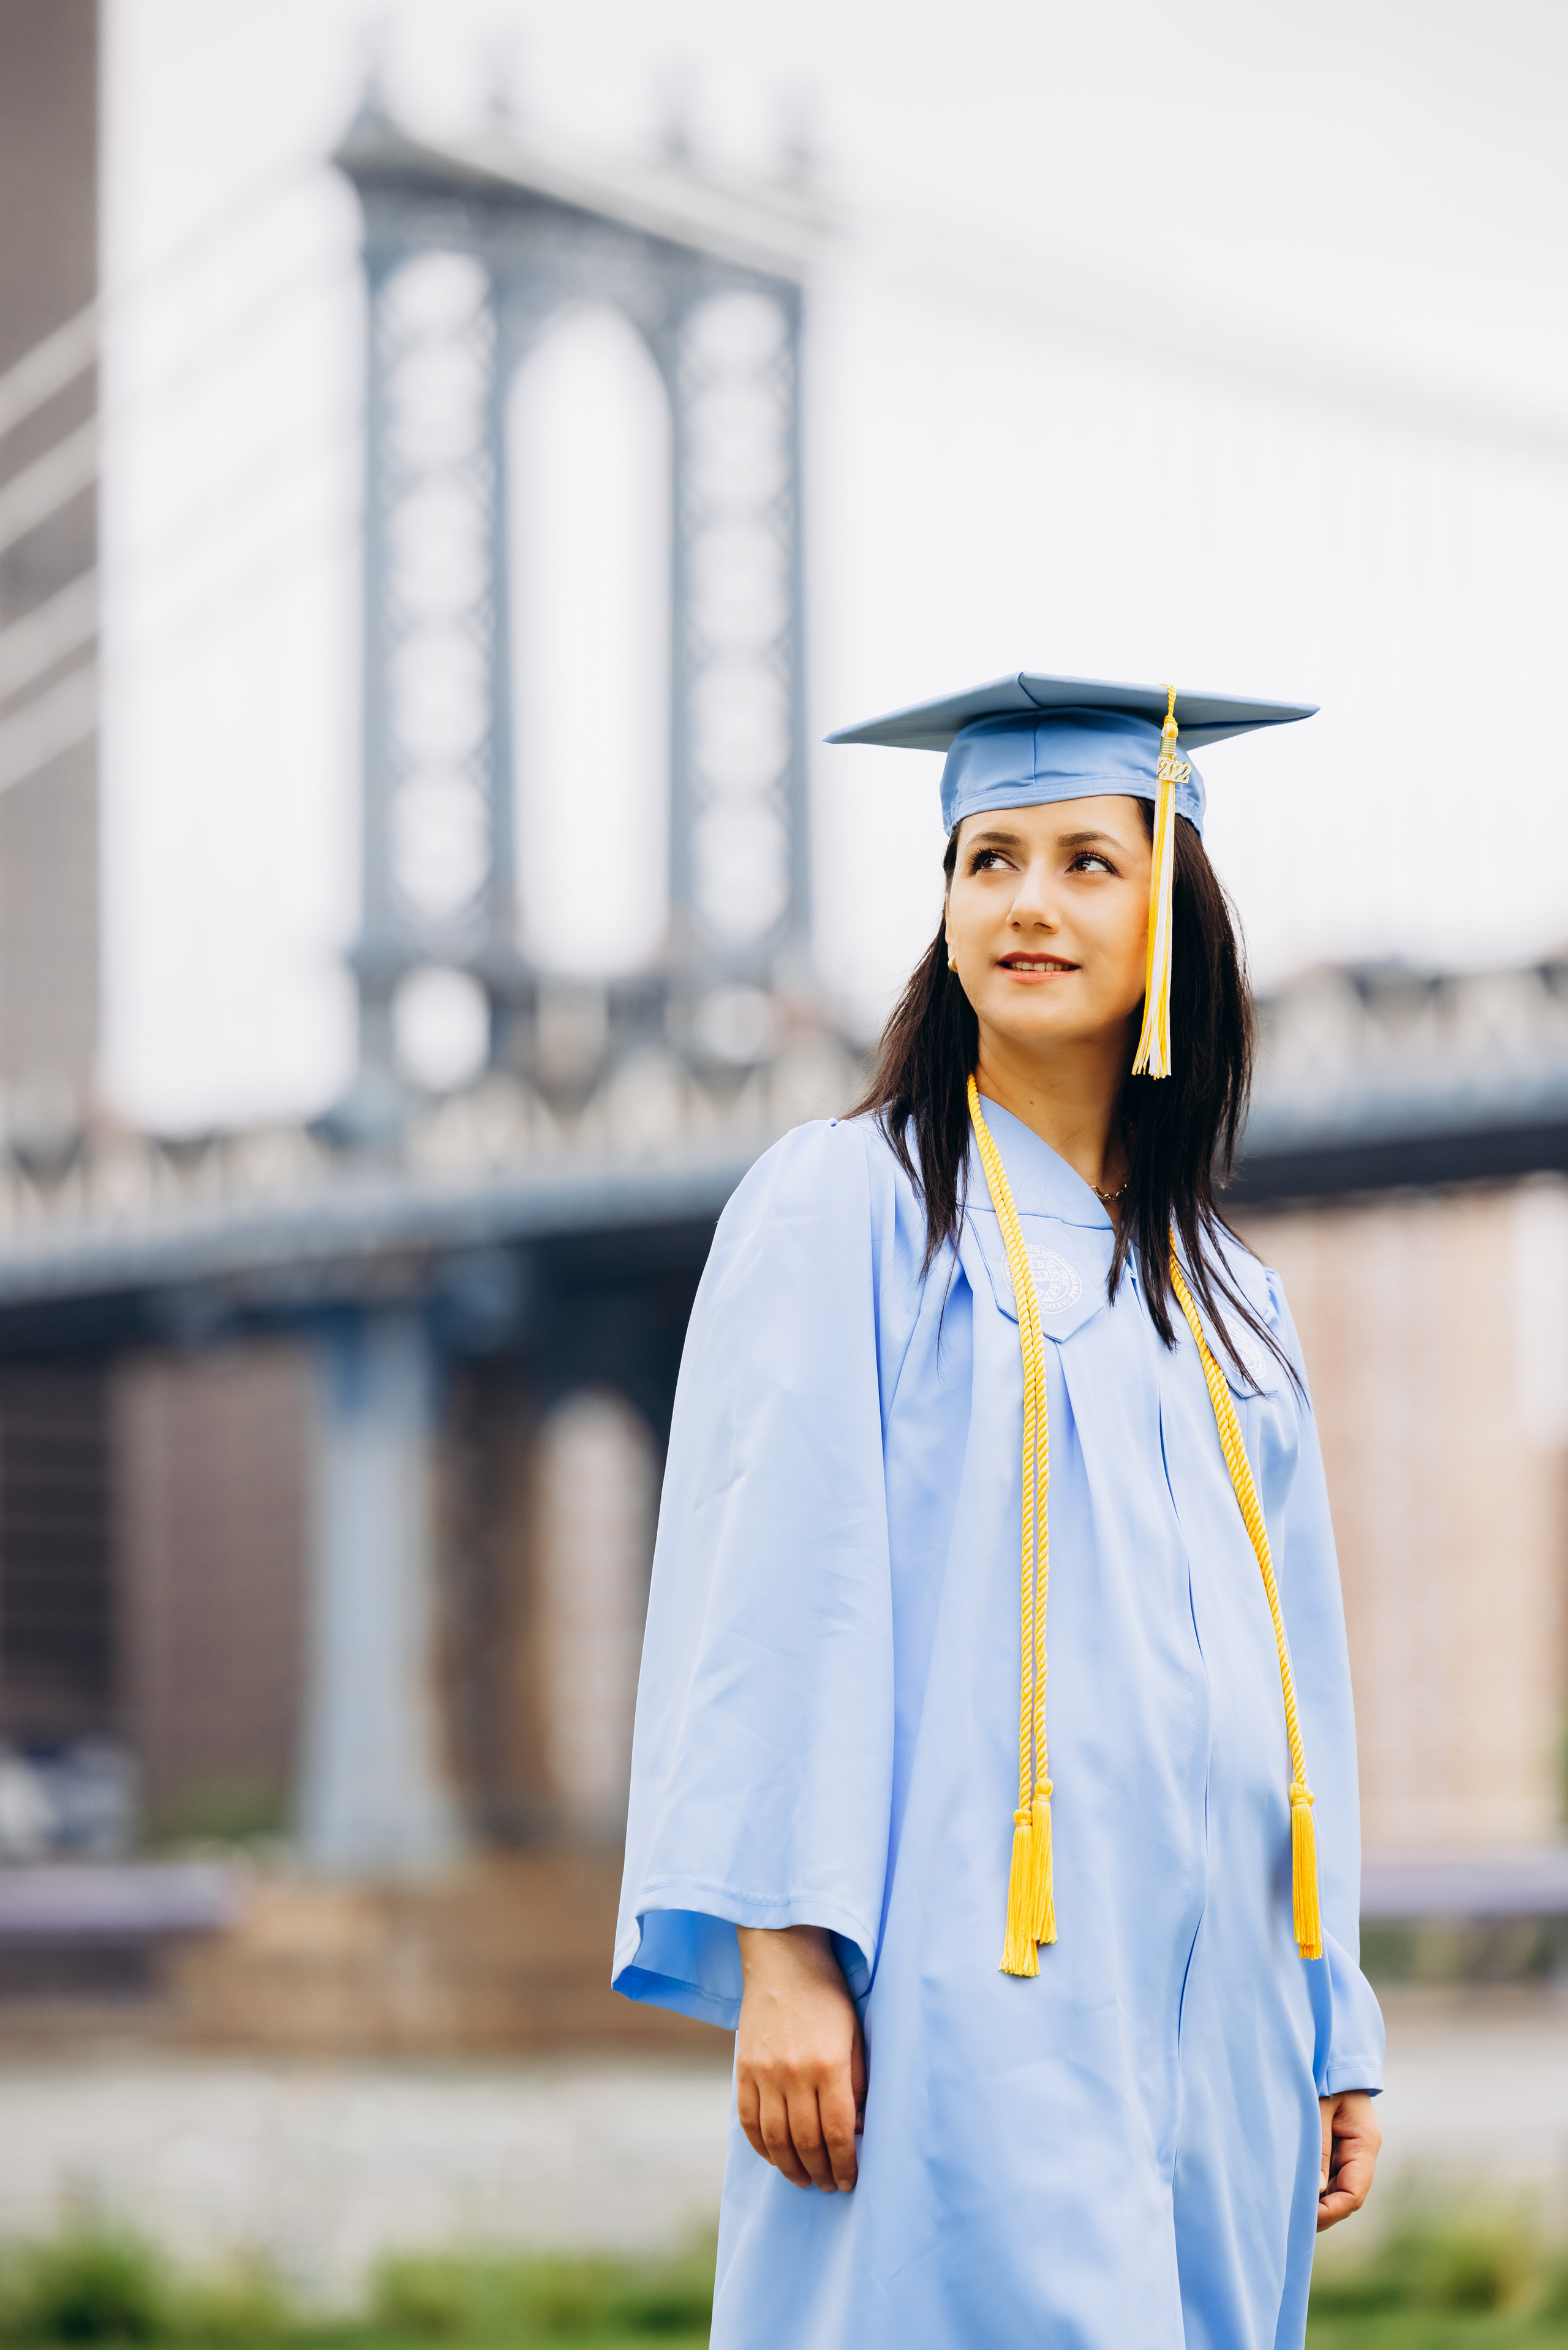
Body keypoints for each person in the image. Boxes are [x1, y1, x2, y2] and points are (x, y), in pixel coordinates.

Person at [613, 674, 1384, 2349]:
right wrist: (783, 1956)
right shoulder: (860, 1211)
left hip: (1229, 2020)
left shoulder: (1232, 1299)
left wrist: (1332, 2014)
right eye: (987, 860)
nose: (1027, 901)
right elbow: (778, 1599)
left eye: (1088, 863)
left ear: (1172, 919)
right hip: (973, 1983)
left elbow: (1296, 1692)